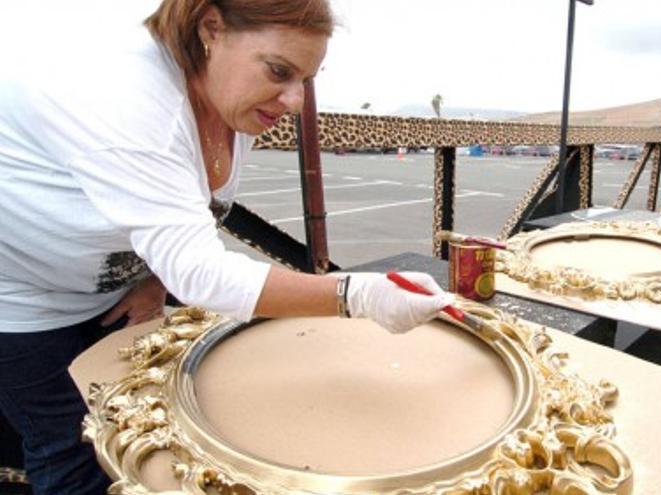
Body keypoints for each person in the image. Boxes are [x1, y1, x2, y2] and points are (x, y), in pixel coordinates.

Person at [0, 1, 453, 493]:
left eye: (306, 79)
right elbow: (201, 274)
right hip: (24, 301)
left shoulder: (230, 96)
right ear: (210, 28)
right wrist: (358, 296)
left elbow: (180, 215)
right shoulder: (122, 96)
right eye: (279, 71)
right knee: (73, 452)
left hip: (110, 288)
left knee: (143, 431)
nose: (294, 100)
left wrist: (154, 277)